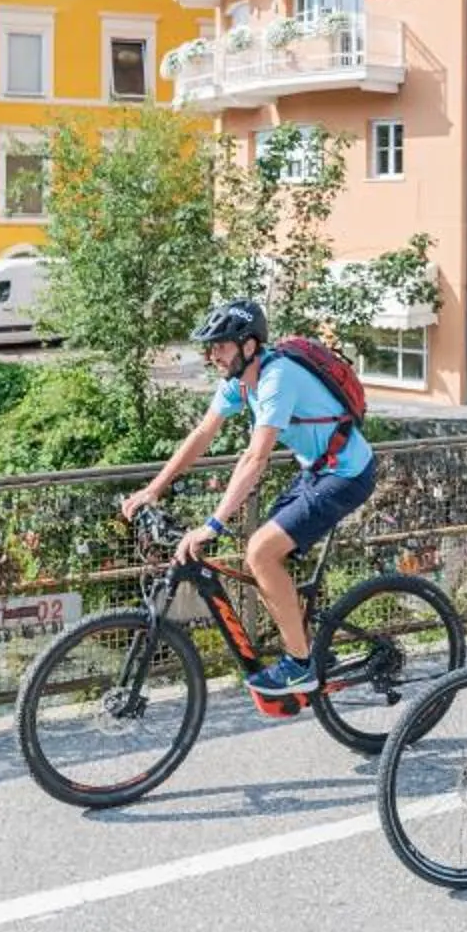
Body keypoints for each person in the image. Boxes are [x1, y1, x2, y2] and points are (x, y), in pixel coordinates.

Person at [116, 299, 375, 702]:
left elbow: (256, 458)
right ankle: (308, 644)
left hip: (347, 474)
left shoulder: (276, 379)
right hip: (316, 470)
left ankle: (301, 666)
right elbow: (203, 434)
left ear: (249, 346)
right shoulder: (240, 382)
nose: (212, 355)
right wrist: (155, 487)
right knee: (262, 552)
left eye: (220, 346)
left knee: (261, 551)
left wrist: (213, 525)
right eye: (211, 347)